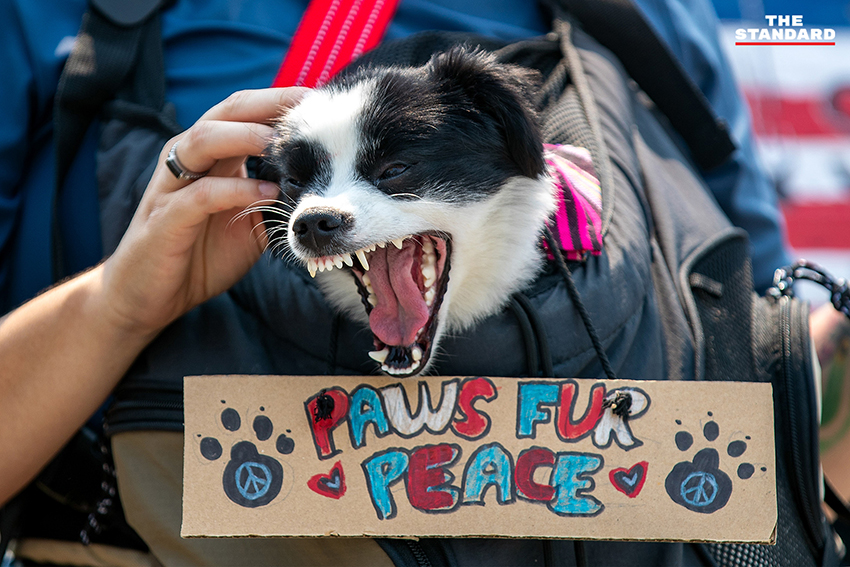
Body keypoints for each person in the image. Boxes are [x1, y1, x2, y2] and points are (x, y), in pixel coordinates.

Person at [0, 0, 806, 564]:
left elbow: (790, 364)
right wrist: (118, 307)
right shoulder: (67, 16)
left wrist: (819, 375)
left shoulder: (650, 13)